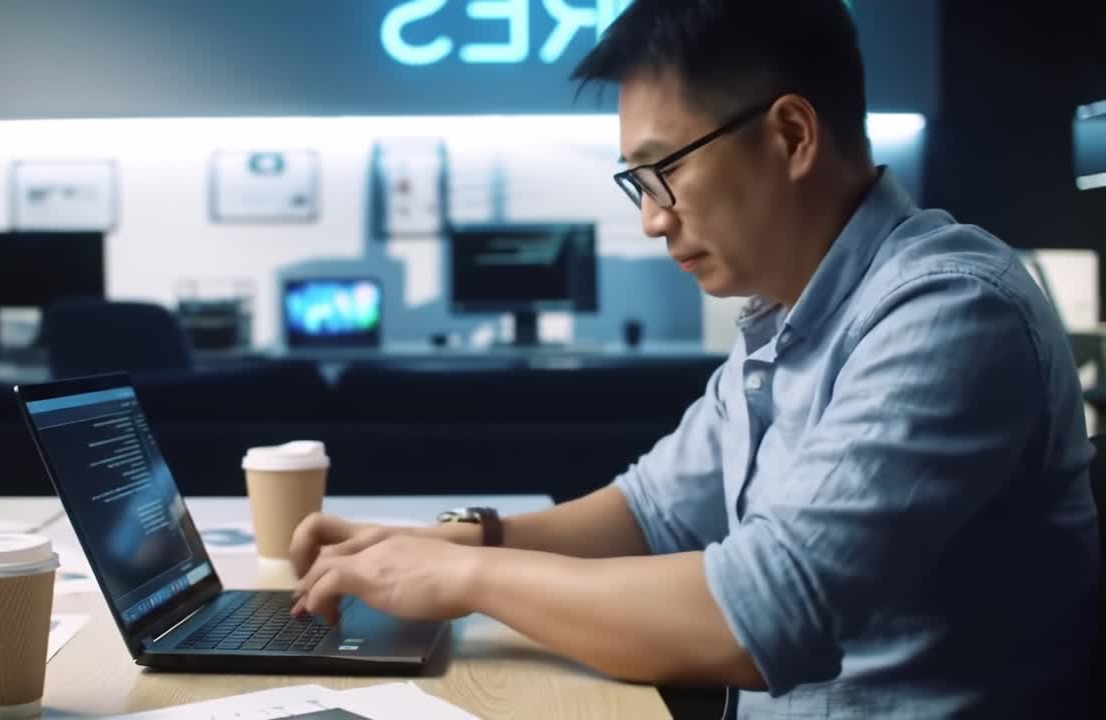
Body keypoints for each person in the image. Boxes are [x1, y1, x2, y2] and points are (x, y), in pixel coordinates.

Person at [290, 0, 1100, 716]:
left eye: (664, 171)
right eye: (636, 182)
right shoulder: (785, 315)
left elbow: (766, 615)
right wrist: (449, 543)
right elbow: (650, 514)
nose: (651, 220)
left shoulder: (951, 309)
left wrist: (464, 584)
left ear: (791, 134)